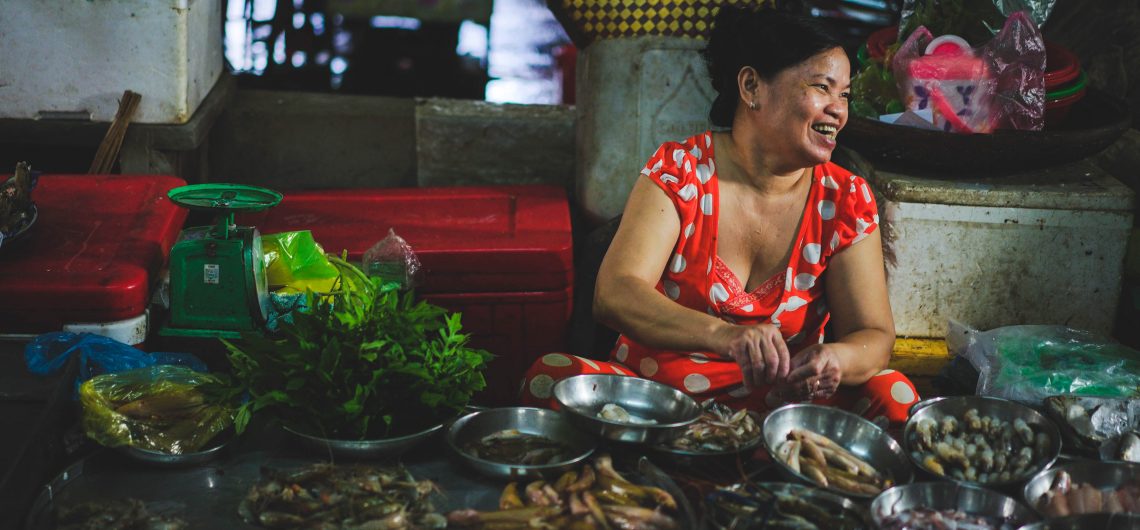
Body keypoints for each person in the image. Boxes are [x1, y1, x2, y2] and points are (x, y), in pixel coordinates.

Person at [520, 6, 919, 426]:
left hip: (786, 416)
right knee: (549, 377)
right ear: (752, 86)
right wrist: (725, 335)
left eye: (845, 94)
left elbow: (873, 335)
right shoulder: (681, 172)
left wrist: (835, 359)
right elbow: (615, 293)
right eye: (822, 87)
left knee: (895, 397)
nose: (838, 109)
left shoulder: (845, 199)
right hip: (659, 404)